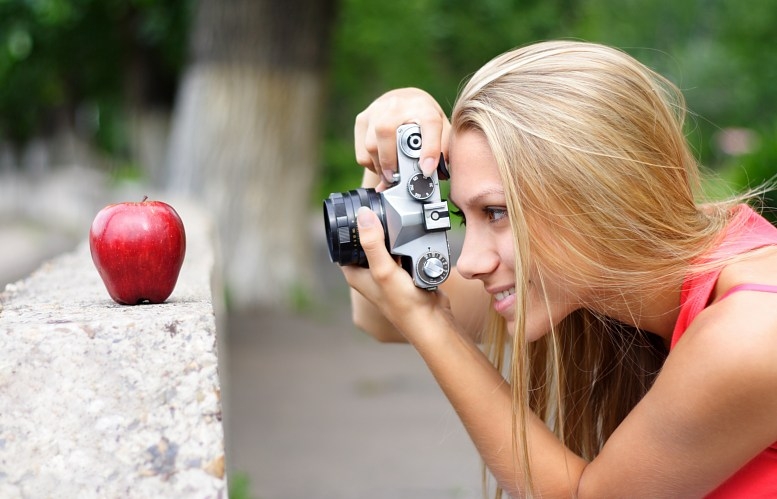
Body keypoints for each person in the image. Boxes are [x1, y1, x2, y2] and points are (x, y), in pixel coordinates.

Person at [340, 40, 777, 498]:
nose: (468, 262)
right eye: (463, 218)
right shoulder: (606, 269)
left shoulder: (753, 331)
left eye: (495, 212)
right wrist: (389, 162)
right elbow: (378, 316)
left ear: (597, 192)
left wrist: (429, 321)